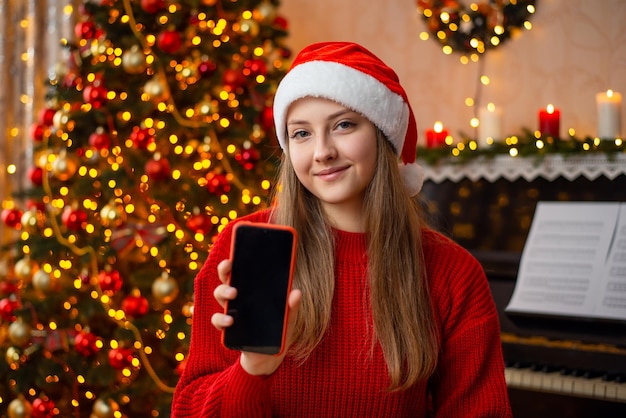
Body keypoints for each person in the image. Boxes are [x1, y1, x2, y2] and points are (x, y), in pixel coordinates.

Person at [171, 41, 512, 417]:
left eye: (344, 125)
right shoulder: (242, 247)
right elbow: (188, 410)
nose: (322, 152)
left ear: (383, 135)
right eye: (301, 133)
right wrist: (252, 369)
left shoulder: (452, 272)